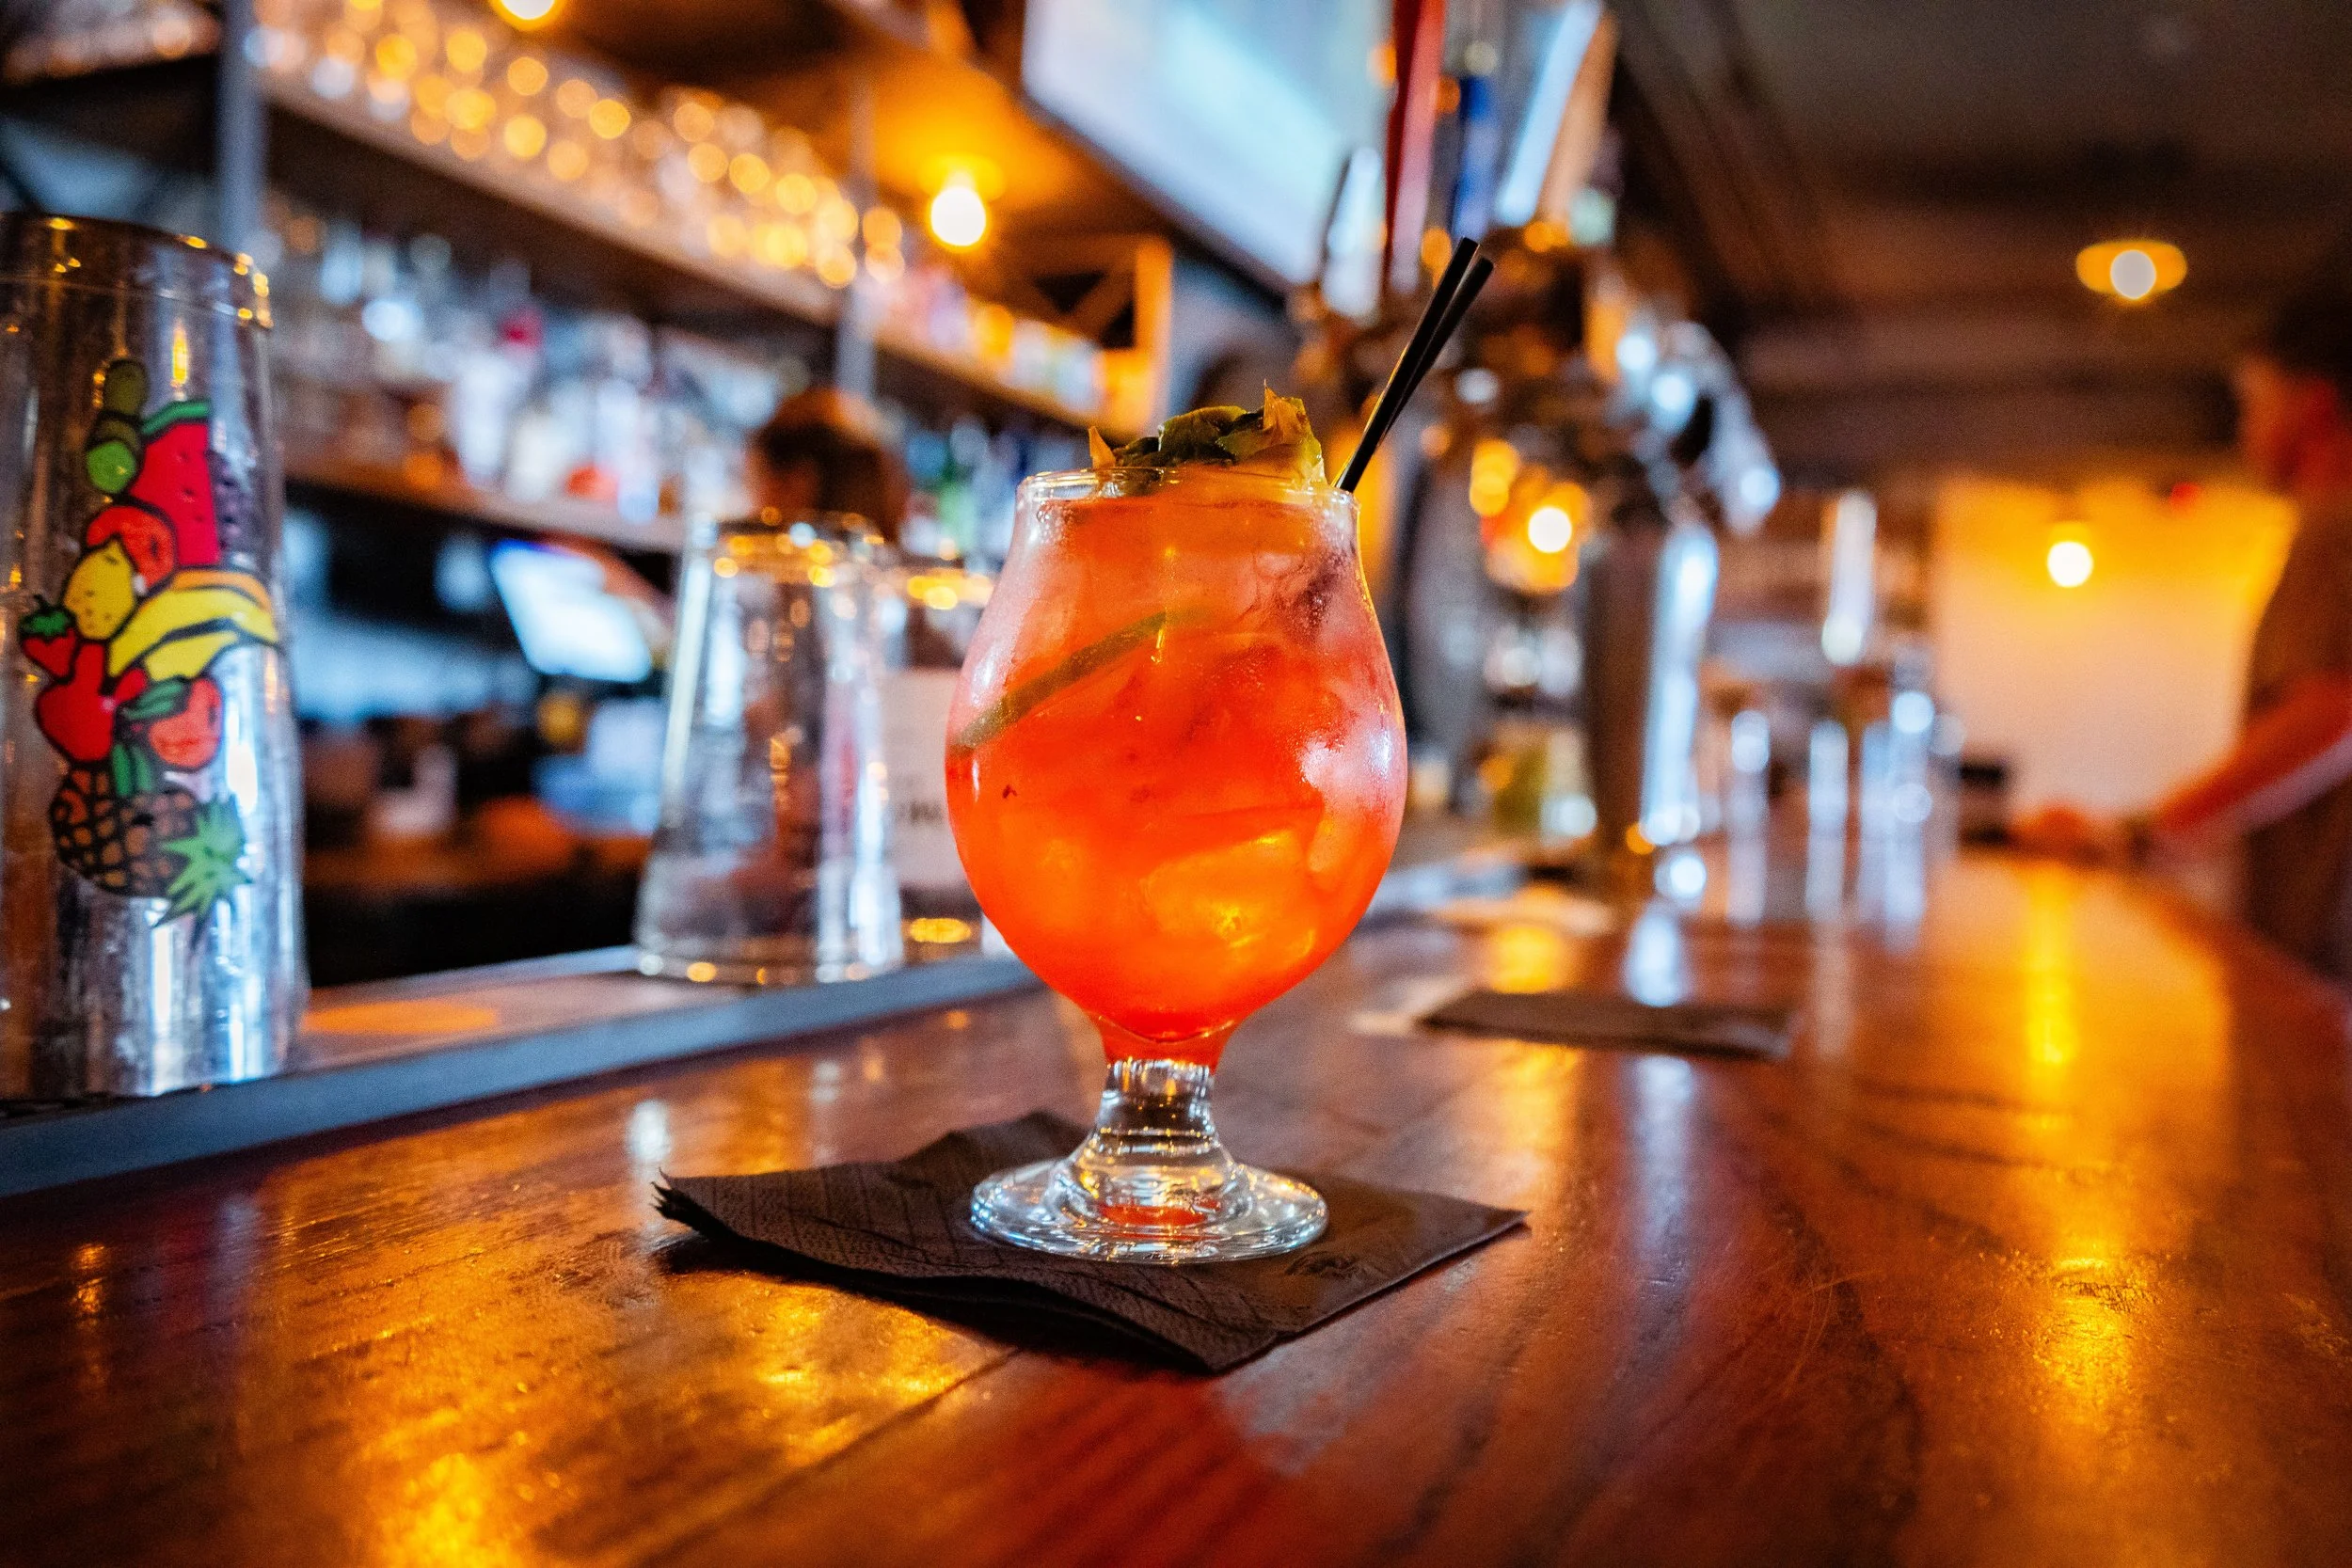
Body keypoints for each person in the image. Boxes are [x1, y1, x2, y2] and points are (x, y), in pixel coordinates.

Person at [2017, 284, 2352, 978]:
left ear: (2313, 405)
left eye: (2255, 402)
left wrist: (2141, 832)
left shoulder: (2336, 529)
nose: (2242, 430)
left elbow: (2330, 712)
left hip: (2327, 953)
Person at [746, 386, 908, 543]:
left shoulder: (753, 559)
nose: (753, 505)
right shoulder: (886, 556)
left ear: (796, 484)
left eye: (756, 480)